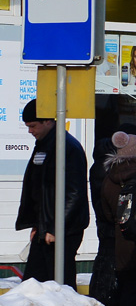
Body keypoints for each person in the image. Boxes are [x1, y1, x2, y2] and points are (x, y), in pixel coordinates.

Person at [15, 99, 89, 290]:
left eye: (32, 126)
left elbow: (74, 193)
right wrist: (36, 224)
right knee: (34, 285)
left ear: (48, 121)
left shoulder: (67, 148)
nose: (30, 131)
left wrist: (57, 227)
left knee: (59, 286)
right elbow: (37, 188)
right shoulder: (44, 145)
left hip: (60, 230)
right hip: (45, 228)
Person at [89, 123, 136, 306]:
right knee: (123, 282)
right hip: (119, 233)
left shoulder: (104, 167)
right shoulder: (124, 173)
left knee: (109, 276)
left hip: (109, 229)